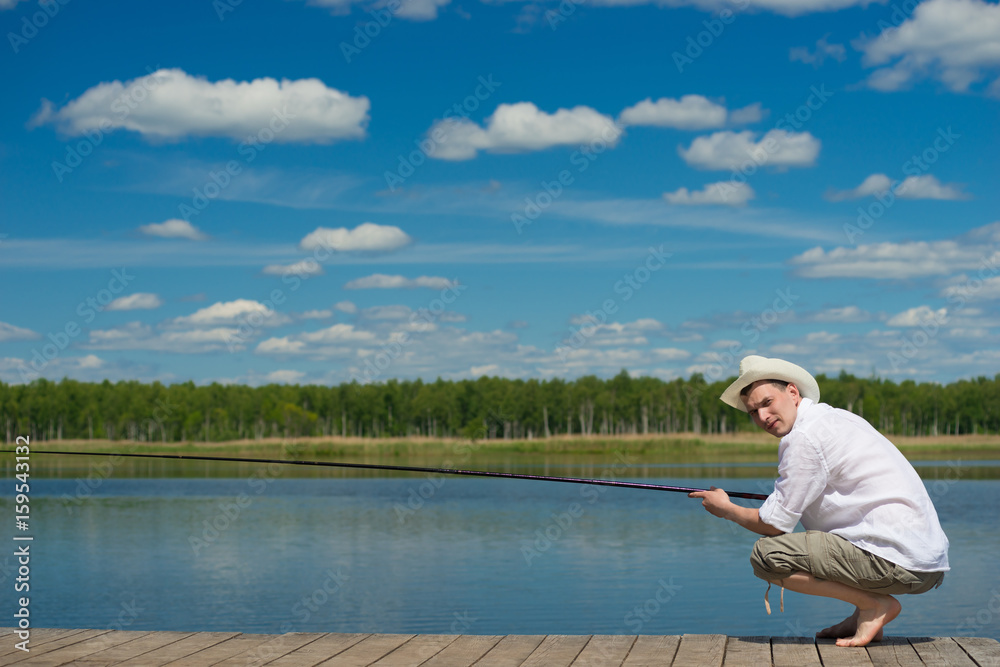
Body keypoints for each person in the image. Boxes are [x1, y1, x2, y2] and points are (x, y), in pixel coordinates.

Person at [688, 355, 949, 647]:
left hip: (898, 560)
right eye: (752, 412)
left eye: (766, 402)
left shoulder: (804, 438)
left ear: (792, 392)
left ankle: (874, 606)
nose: (762, 417)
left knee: (767, 557)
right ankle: (863, 613)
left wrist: (726, 510)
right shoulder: (835, 418)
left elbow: (773, 526)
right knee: (828, 535)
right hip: (925, 563)